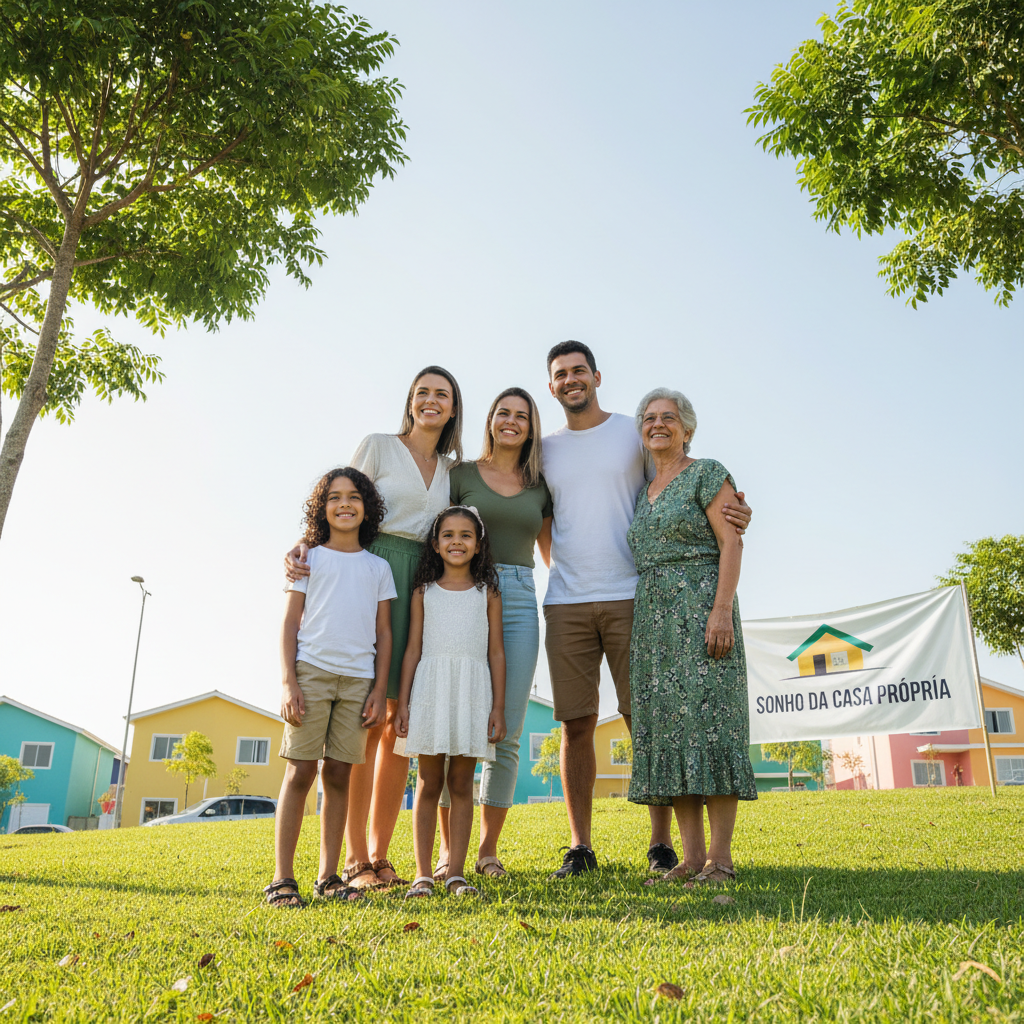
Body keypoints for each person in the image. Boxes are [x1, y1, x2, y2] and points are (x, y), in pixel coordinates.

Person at [539, 341, 753, 879]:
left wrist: (723, 599)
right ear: (552, 384)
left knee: (681, 722)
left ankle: (690, 852)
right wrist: (560, 566)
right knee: (620, 725)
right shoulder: (562, 455)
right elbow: (546, 517)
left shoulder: (667, 453)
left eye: (579, 371)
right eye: (561, 374)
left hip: (667, 602)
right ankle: (619, 849)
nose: (659, 425)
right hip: (610, 607)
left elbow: (725, 526)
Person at [284, 365, 463, 889]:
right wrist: (302, 545)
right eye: (423, 393)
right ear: (410, 401)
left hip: (423, 585)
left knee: (398, 725)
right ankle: (355, 858)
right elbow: (340, 503)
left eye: (442, 395)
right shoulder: (379, 446)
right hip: (375, 572)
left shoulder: (454, 469)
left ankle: (382, 854)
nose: (431, 401)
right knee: (368, 722)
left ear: (453, 408)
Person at [627, 389, 757, 884]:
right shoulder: (644, 492)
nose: (658, 424)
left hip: (704, 609)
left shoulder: (706, 473)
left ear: (687, 428)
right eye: (650, 418)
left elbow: (732, 540)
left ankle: (721, 859)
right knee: (673, 732)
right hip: (655, 624)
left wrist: (721, 609)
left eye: (669, 418)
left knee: (714, 723)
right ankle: (691, 858)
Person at [433, 388, 551, 879]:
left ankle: (486, 851)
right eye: (503, 413)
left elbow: (552, 550)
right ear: (489, 420)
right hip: (461, 593)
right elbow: (432, 529)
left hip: (519, 596)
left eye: (521, 416)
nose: (511, 422)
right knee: (452, 724)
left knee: (508, 729)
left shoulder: (540, 485)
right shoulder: (459, 475)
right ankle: (446, 854)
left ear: (531, 427)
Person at [266, 468, 395, 908]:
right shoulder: (308, 559)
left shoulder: (379, 567)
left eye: (354, 497)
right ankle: (283, 879)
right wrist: (288, 682)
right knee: (301, 771)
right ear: (322, 508)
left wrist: (379, 690)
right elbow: (288, 623)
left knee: (339, 773)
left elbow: (385, 633)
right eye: (335, 497)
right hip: (312, 674)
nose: (345, 504)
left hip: (358, 681)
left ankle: (329, 876)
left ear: (367, 507)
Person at [395, 506, 507, 898]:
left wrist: (497, 707)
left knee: (461, 782)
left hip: (472, 692)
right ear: (435, 543)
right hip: (430, 690)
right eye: (448, 535)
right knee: (427, 783)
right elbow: (412, 650)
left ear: (478, 546)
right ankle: (423, 874)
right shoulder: (423, 592)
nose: (456, 541)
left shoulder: (487, 592)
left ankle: (457, 873)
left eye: (465, 535)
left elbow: (496, 652)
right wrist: (405, 703)